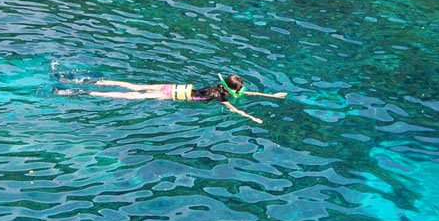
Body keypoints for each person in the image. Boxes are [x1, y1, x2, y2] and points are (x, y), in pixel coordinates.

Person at [55, 73, 286, 124]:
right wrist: (251, 117)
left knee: (136, 86)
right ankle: (88, 92)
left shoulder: (217, 88)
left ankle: (94, 82)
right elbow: (236, 110)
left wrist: (271, 95)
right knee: (130, 96)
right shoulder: (219, 98)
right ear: (230, 91)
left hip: (174, 87)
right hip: (171, 96)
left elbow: (248, 93)